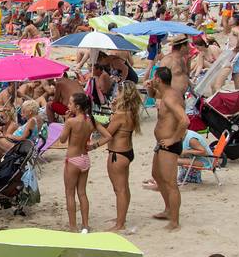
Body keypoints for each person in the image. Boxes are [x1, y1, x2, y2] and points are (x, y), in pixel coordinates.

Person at [94, 81, 141, 232]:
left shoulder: (120, 115)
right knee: (124, 188)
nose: (115, 95)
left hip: (117, 154)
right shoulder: (131, 112)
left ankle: (120, 224)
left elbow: (108, 133)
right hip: (127, 151)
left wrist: (94, 125)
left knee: (119, 190)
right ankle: (121, 218)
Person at [150, 67, 184, 230]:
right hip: (162, 143)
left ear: (158, 79)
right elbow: (151, 95)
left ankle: (174, 221)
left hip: (169, 144)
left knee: (170, 182)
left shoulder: (170, 98)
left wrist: (173, 139)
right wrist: (150, 86)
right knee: (156, 175)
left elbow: (185, 121)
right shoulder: (165, 93)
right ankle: (168, 210)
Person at [62, 92, 97, 232]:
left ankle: (72, 226)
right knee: (82, 192)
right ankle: (86, 224)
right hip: (85, 158)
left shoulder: (71, 122)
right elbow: (107, 136)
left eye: (70, 103)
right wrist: (93, 146)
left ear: (77, 106)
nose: (68, 106)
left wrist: (66, 120)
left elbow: (63, 139)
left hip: (73, 159)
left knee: (70, 193)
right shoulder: (90, 121)